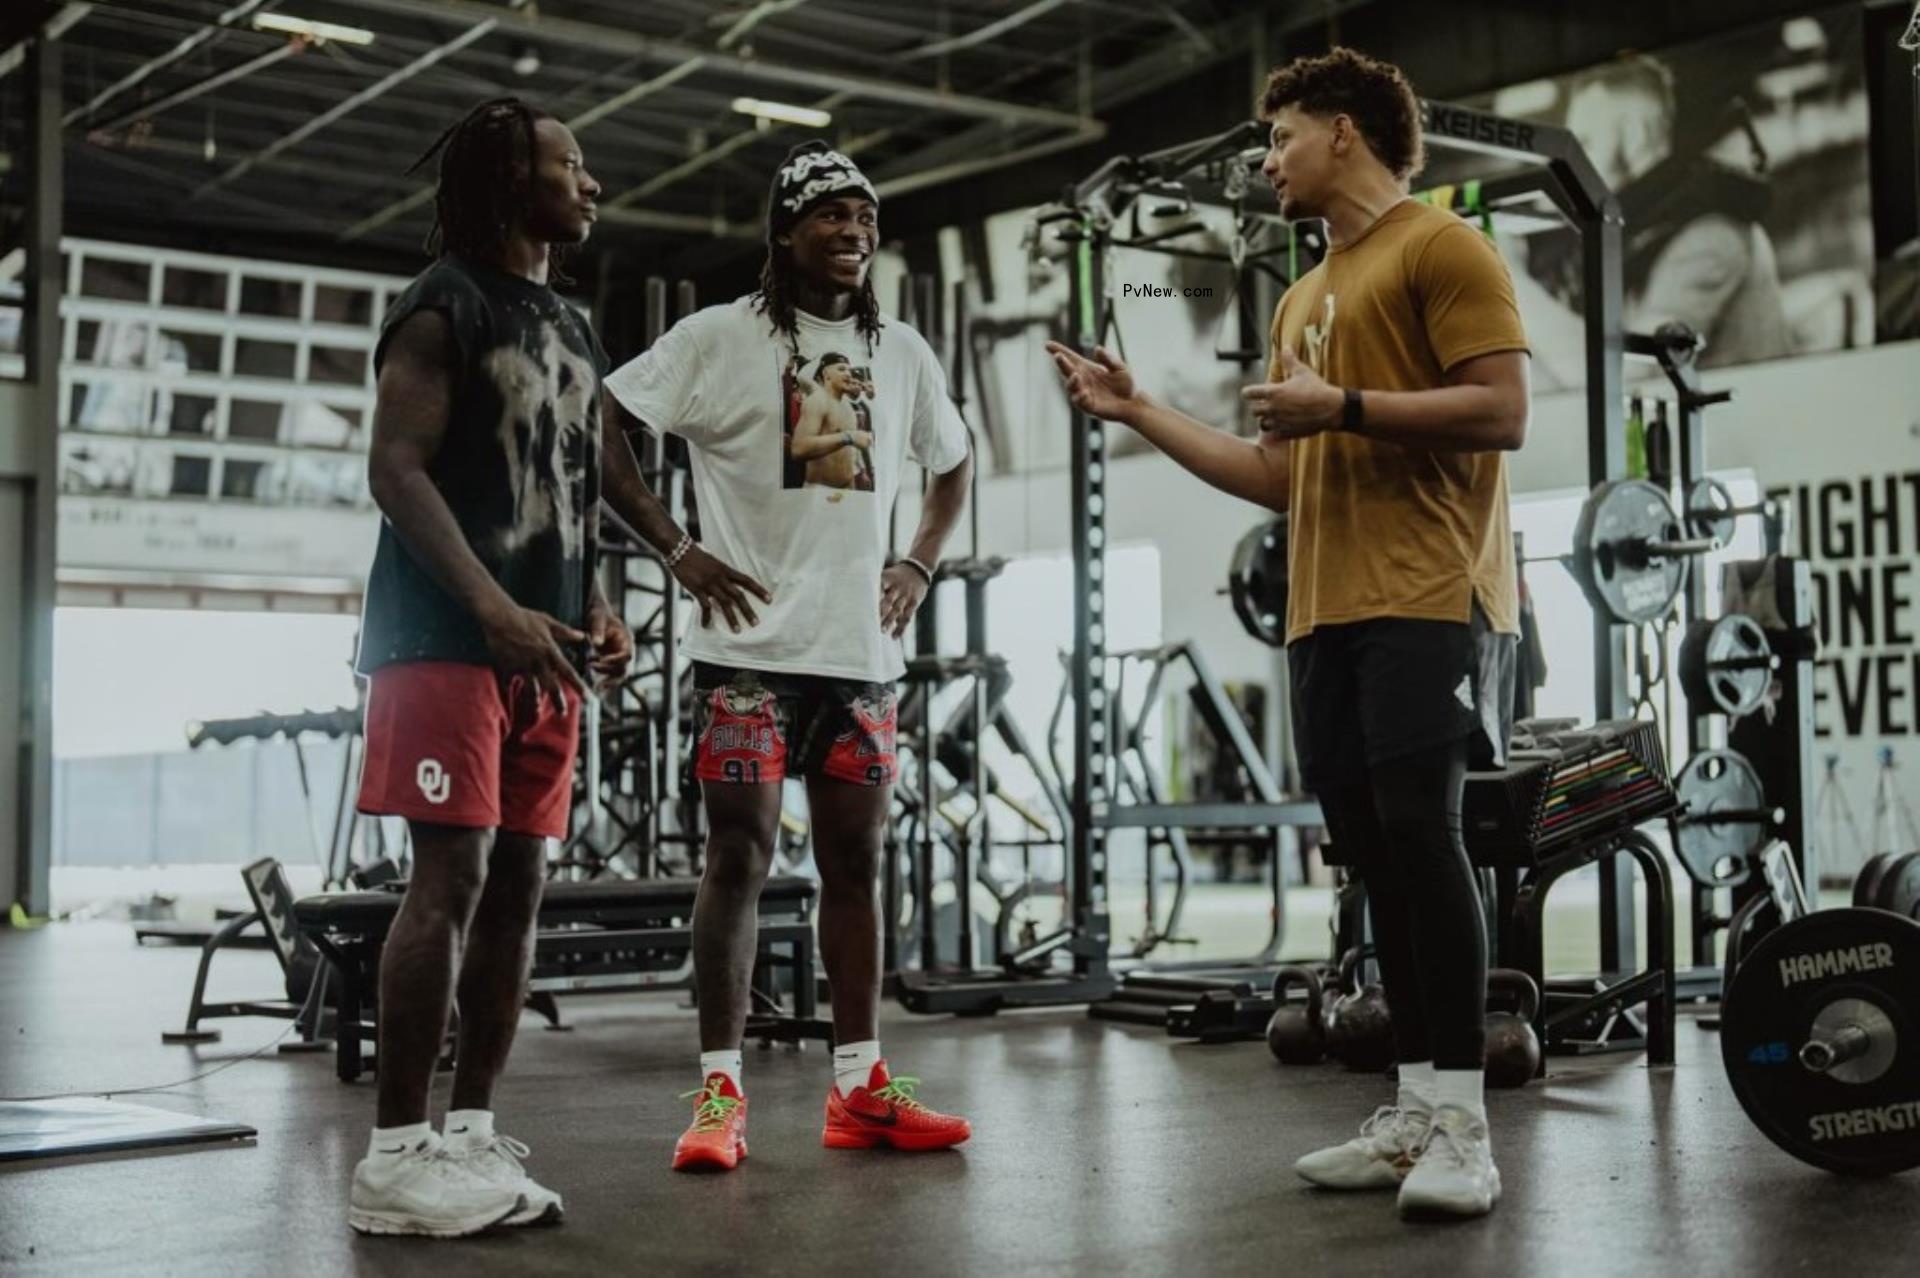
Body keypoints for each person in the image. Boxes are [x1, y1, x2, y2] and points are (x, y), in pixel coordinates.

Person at [1048, 48, 1530, 1219]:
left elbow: (1503, 411)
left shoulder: (1441, 246)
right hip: (1326, 606)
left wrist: (1345, 406)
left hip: (1427, 594)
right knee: (1374, 855)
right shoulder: (1301, 297)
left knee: (1425, 840)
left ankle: (1466, 1125)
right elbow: (1279, 476)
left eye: (1282, 138)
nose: (1267, 162)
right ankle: (1416, 1111)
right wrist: (1139, 409)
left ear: (1347, 135)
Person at [604, 141, 975, 1173]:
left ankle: (860, 1087)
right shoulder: (719, 337)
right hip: (746, 658)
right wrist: (679, 551)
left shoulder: (901, 351)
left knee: (857, 862)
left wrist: (920, 563)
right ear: (783, 230)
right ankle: (719, 1094)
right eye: (831, 216)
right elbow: (602, 421)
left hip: (858, 661)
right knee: (740, 860)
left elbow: (953, 465)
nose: (854, 232)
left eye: (866, 217)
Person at [345, 96, 631, 1239]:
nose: (592, 182)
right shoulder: (440, 306)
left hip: (541, 648)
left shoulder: (568, 320)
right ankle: (393, 1156)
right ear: (518, 185)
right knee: (450, 881)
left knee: (518, 886)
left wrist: (593, 603)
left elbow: (566, 489)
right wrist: (494, 607)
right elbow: (396, 470)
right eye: (574, 164)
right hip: (445, 639)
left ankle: (467, 1132)